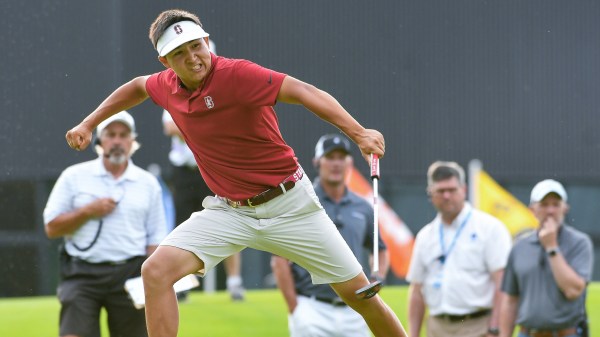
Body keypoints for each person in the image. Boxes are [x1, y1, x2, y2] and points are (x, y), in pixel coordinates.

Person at [64, 9, 407, 337]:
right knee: (155, 271)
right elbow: (137, 87)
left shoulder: (237, 74)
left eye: (197, 46)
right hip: (230, 211)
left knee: (361, 295)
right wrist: (89, 122)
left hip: (292, 205)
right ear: (165, 62)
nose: (193, 57)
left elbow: (304, 92)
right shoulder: (165, 85)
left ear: (207, 41)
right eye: (180, 53)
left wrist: (358, 132)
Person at [44, 111, 167, 337]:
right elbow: (51, 227)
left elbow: (155, 241)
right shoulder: (73, 176)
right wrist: (87, 212)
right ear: (100, 141)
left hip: (131, 272)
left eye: (123, 135)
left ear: (132, 141)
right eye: (111, 134)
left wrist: (153, 283)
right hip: (82, 272)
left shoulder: (148, 183)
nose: (117, 141)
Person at [271, 133, 389, 337]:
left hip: (356, 310)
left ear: (349, 162)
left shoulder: (363, 207)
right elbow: (279, 260)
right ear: (317, 162)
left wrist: (377, 277)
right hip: (311, 307)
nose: (336, 164)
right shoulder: (301, 202)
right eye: (330, 157)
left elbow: (380, 250)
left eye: (341, 158)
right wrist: (295, 308)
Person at [406, 161, 512, 337]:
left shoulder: (490, 228)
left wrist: (495, 329)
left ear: (464, 190)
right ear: (430, 193)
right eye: (440, 191)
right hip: (437, 327)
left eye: (452, 190)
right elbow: (416, 290)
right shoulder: (425, 236)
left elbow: (502, 283)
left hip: (478, 326)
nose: (446, 196)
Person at [163, 108, 245, 301]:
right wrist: (202, 126)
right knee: (182, 229)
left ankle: (234, 283)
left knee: (227, 221)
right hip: (182, 171)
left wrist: (191, 127)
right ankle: (183, 285)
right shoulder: (173, 94)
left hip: (210, 167)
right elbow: (171, 128)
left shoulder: (213, 97)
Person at [499, 179, 594, 337]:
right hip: (528, 333)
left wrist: (551, 247)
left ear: (565, 208)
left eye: (556, 204)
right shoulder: (519, 247)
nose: (550, 210)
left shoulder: (579, 243)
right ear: (532, 210)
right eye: (544, 204)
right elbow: (510, 300)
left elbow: (573, 290)